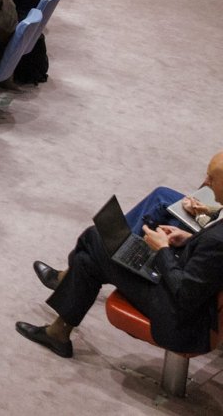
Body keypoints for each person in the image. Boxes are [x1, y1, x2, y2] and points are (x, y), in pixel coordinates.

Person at [18, 149, 223, 361]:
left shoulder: (218, 240)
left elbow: (184, 293)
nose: (205, 183)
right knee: (94, 255)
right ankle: (58, 332)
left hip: (180, 318)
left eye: (212, 178)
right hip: (184, 287)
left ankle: (59, 326)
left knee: (95, 238)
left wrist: (162, 249)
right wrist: (187, 239)